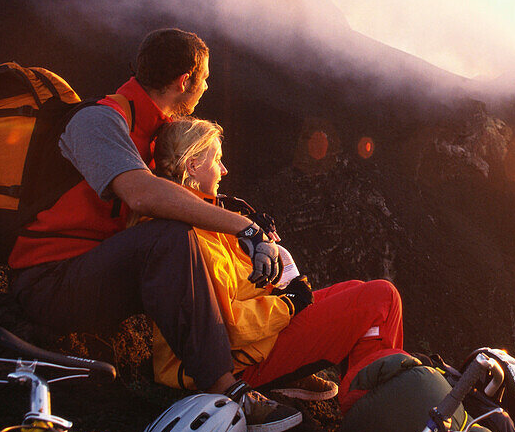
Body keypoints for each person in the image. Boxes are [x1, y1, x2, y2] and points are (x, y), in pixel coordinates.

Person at [7, 29, 300, 432]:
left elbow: (170, 196)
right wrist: (244, 228)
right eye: (206, 78)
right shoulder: (100, 120)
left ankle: (248, 358)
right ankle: (224, 390)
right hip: (48, 282)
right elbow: (141, 195)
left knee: (179, 234)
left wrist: (246, 226)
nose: (206, 87)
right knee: (170, 236)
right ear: (186, 80)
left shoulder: (150, 133)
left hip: (94, 273)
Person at [148, 117, 404, 411]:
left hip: (252, 343)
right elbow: (227, 326)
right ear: (193, 166)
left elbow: (236, 289)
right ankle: (371, 409)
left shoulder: (200, 218)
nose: (224, 169)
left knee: (358, 289)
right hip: (239, 364)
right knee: (382, 298)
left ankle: (362, 394)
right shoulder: (192, 235)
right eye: (216, 160)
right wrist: (289, 304)